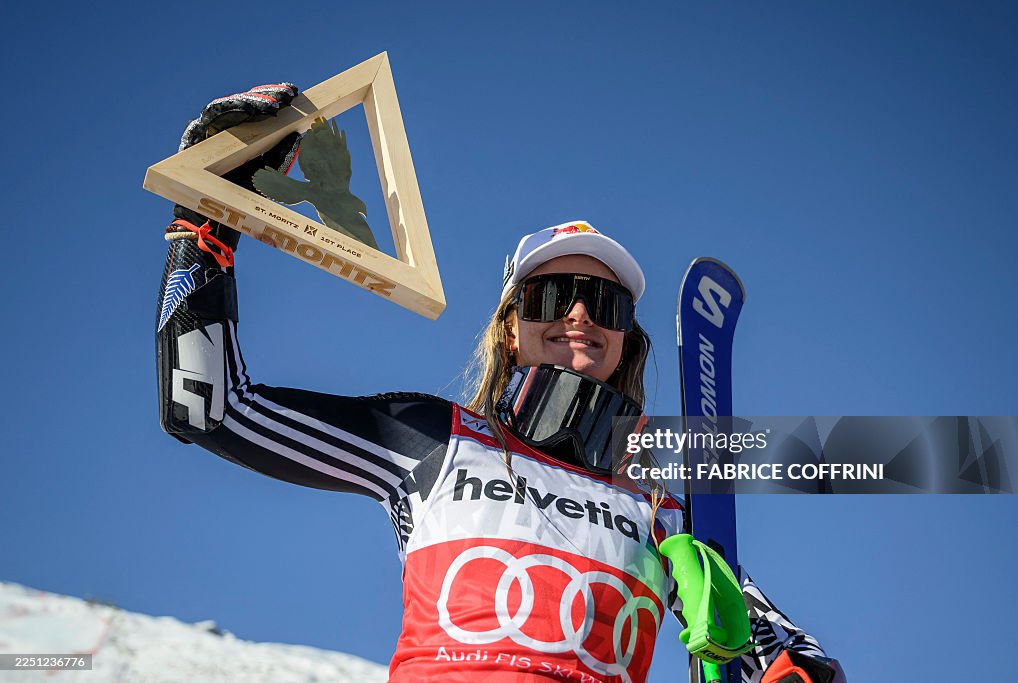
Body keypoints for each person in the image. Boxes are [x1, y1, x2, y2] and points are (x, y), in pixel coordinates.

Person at [156, 84, 845, 683]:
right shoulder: (429, 440)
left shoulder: (665, 513)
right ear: (511, 327)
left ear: (624, 340)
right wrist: (204, 225)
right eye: (554, 296)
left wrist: (771, 660)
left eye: (605, 305)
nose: (579, 316)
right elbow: (211, 407)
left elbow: (800, 659)